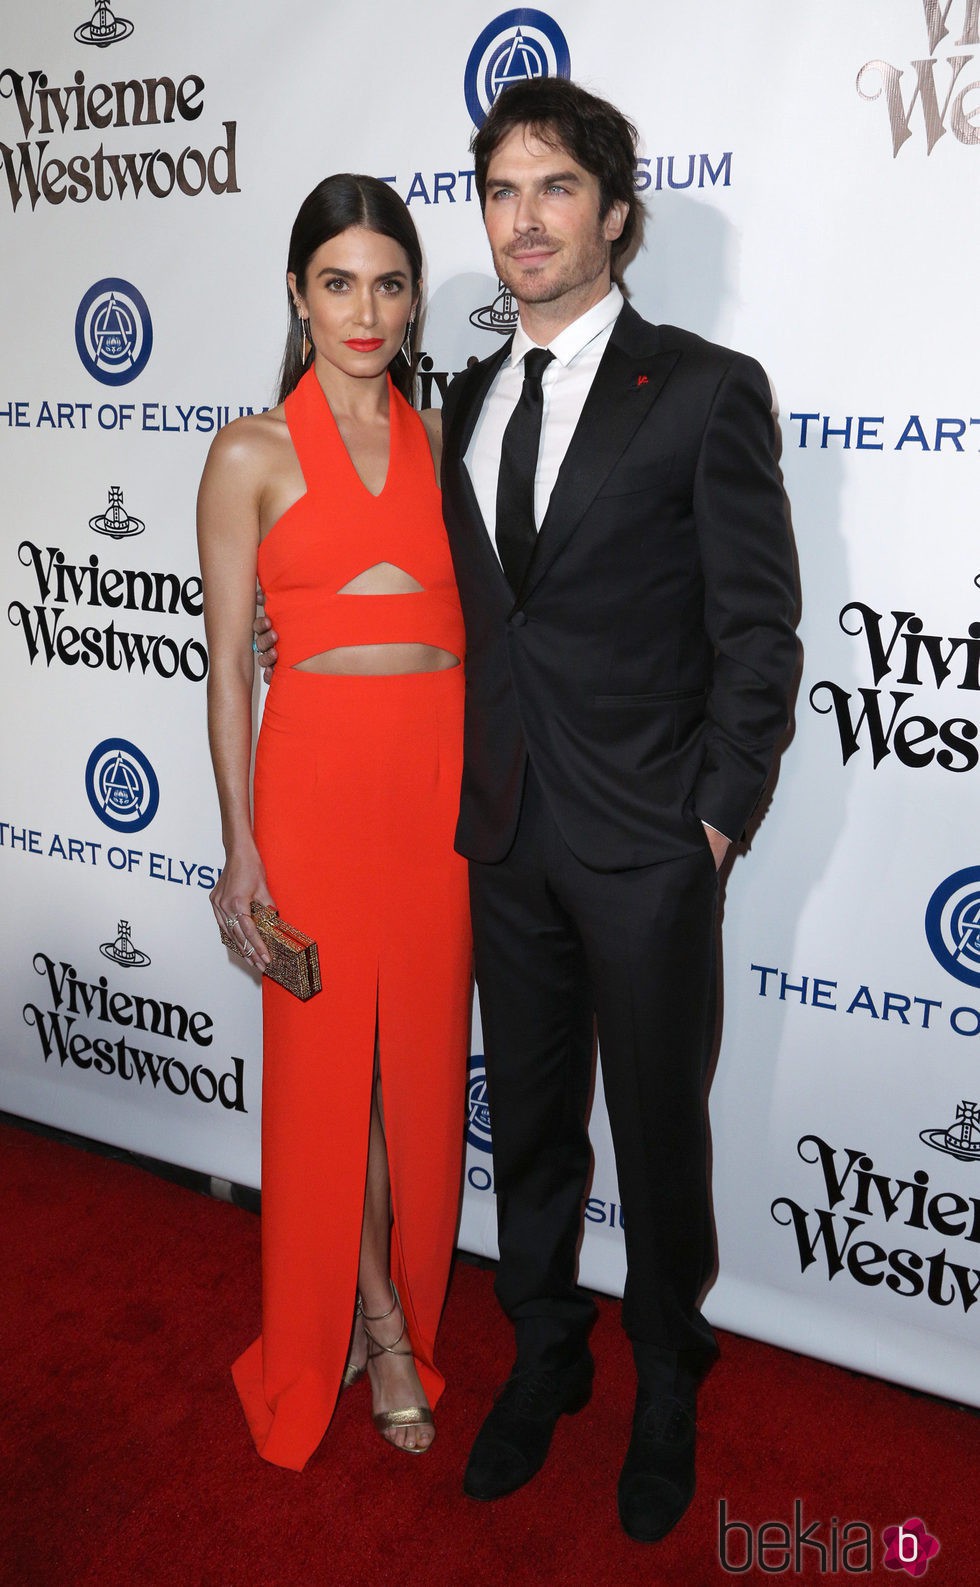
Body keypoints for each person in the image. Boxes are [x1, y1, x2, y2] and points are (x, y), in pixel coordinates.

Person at [257, 78, 798, 1539]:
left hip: (646, 848)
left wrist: (714, 824)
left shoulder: (700, 387)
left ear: (616, 215)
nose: (527, 219)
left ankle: (669, 1376)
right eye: (503, 192)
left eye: (557, 188)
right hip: (497, 839)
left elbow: (761, 635)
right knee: (538, 1130)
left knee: (661, 1140)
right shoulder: (465, 403)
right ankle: (547, 1354)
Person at [198, 174, 471, 1469]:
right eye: (338, 281)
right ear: (299, 298)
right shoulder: (251, 450)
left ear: (415, 299)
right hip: (309, 797)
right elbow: (227, 669)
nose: (366, 309)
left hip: (438, 801)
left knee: (412, 1075)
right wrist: (240, 845)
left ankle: (403, 1307)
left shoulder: (446, 437)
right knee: (326, 1081)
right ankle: (376, 1329)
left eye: (390, 280)